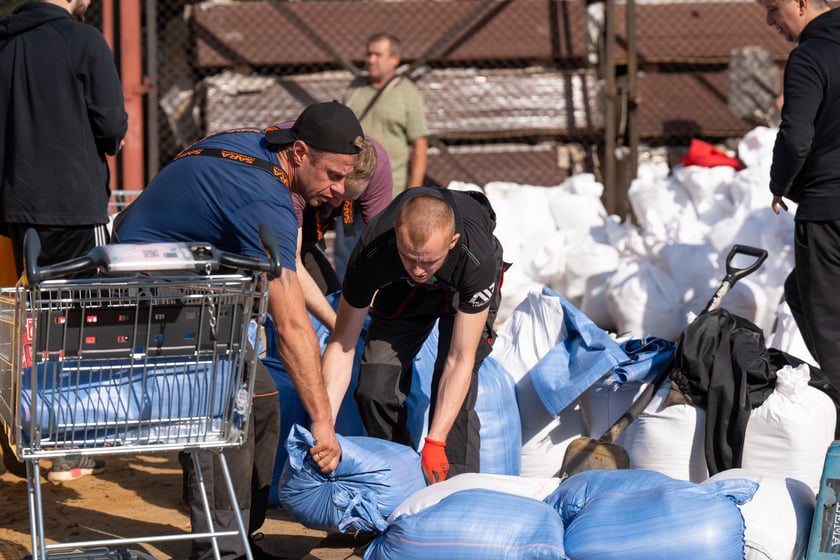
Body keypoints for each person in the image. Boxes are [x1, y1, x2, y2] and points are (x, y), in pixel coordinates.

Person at [115, 101, 358, 560]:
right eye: (332, 174)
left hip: (187, 283)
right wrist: (323, 423)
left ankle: (240, 539)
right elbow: (289, 326)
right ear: (300, 152)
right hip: (142, 286)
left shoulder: (263, 146)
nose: (339, 190)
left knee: (262, 403)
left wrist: (340, 326)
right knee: (224, 410)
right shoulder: (263, 197)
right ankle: (219, 553)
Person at [0, 0, 128, 482]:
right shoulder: (84, 40)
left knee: (25, 320)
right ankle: (70, 445)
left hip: (14, 203)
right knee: (81, 323)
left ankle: (22, 432)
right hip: (73, 201)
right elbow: (111, 123)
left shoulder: (6, 41)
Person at [321, 186, 506, 484]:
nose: (419, 270)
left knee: (454, 398)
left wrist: (435, 443)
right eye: (410, 258)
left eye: (427, 262)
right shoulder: (372, 252)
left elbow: (460, 358)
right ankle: (398, 478)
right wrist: (323, 424)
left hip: (461, 285)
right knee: (374, 389)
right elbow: (342, 344)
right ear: (396, 234)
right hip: (400, 289)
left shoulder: (476, 256)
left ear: (452, 241)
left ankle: (452, 491)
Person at [764, 0, 840, 434]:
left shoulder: (810, 55)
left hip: (829, 210)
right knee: (798, 289)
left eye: (775, 8)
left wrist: (781, 183)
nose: (771, 21)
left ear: (801, 2)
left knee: (827, 325)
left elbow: (796, 136)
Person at [268, 120, 393, 331]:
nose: (335, 203)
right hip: (258, 232)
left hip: (306, 238)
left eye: (347, 199)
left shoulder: (377, 166)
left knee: (332, 300)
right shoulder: (293, 168)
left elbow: (381, 253)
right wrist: (339, 329)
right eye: (333, 194)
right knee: (292, 314)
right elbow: (291, 261)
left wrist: (373, 315)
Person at [336, 32, 429, 279]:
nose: (371, 60)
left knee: (384, 249)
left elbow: (419, 143)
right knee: (346, 249)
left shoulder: (406, 93)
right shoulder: (355, 88)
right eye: (368, 53)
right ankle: (343, 306)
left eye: (378, 54)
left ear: (395, 59)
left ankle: (382, 305)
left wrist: (414, 190)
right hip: (349, 191)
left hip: (390, 194)